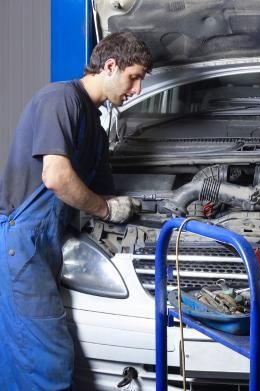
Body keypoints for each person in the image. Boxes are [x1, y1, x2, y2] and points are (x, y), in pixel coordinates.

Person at [0, 32, 152, 389]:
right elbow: (55, 177)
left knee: (21, 349)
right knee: (44, 358)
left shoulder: (96, 128)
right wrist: (105, 210)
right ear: (110, 66)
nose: (138, 89)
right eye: (134, 77)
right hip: (22, 243)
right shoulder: (60, 99)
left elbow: (108, 189)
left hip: (50, 242)